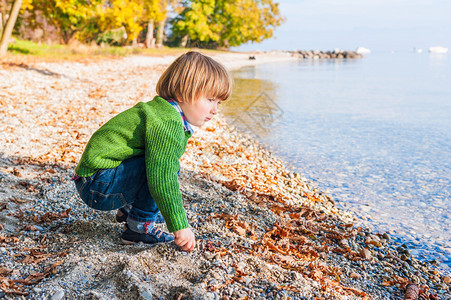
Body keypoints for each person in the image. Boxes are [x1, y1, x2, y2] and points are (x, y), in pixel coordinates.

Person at [73, 51, 232, 252]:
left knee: (160, 164)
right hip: (98, 186)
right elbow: (162, 178)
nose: (215, 109)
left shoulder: (163, 111)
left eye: (218, 102)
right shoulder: (167, 122)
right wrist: (180, 226)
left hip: (93, 178)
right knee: (164, 170)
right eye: (210, 99)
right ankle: (139, 228)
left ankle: (130, 210)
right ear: (182, 94)